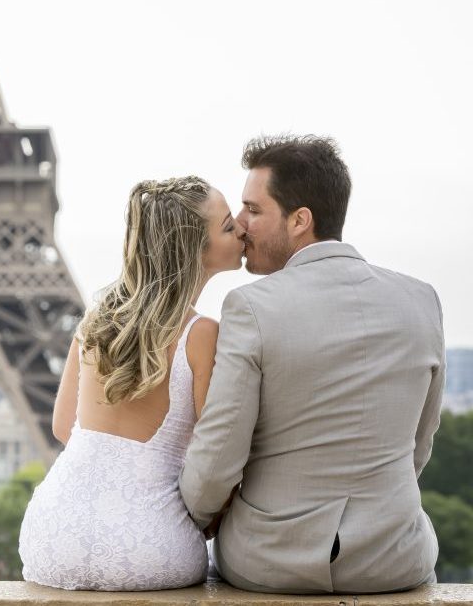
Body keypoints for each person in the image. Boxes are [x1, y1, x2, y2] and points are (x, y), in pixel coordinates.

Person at [179, 135, 444, 594]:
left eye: (253, 210)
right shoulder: (422, 301)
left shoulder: (250, 307)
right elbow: (418, 447)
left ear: (300, 220)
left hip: (271, 561)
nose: (240, 226)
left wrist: (198, 516)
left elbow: (218, 457)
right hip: (395, 558)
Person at [19, 175, 245, 590]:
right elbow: (214, 452)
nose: (242, 230)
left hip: (52, 536)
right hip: (149, 545)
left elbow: (63, 425)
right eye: (229, 225)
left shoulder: (96, 319)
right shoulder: (201, 334)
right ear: (196, 248)